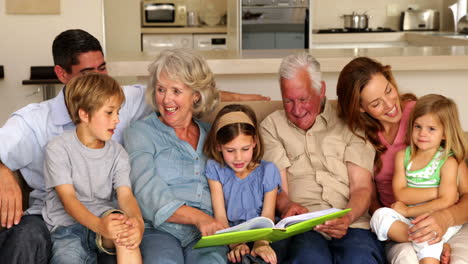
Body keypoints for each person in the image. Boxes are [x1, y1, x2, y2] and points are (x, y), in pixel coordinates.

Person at [0, 29, 269, 263]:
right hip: (62, 219)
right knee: (25, 237)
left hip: (112, 213)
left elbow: (187, 88)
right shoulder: (36, 122)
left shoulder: (122, 101)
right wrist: (4, 173)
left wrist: (248, 99)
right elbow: (74, 198)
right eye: (86, 73)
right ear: (61, 74)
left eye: (102, 68)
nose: (99, 81)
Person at [336, 56, 468, 264]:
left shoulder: (422, 118)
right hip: (400, 223)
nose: (390, 105)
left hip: (444, 214)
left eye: (388, 90)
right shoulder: (360, 135)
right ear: (361, 108)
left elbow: (463, 191)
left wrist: (445, 218)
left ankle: (432, 240)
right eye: (376, 103)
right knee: (402, 251)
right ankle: (429, 241)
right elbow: (371, 197)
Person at [259, 52, 385, 263]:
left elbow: (361, 187)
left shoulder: (351, 122)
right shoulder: (272, 127)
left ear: (321, 90)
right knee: (309, 258)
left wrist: (347, 217)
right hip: (304, 226)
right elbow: (279, 191)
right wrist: (287, 205)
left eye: (303, 99)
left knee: (360, 258)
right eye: (288, 101)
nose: (297, 110)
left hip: (353, 222)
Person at [123, 49, 232, 263]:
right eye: (161, 89)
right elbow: (146, 191)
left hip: (208, 233)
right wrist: (199, 218)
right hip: (160, 230)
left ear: (196, 95)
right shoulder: (140, 132)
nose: (166, 99)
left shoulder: (213, 134)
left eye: (176, 91)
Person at [42, 73, 143, 263]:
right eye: (109, 112)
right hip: (68, 229)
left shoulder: (117, 152)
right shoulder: (58, 148)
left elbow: (125, 196)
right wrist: (98, 226)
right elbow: (68, 200)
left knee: (126, 230)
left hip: (105, 220)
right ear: (84, 114)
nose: (117, 120)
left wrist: (138, 223)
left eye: (118, 112)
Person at [370, 94, 466, 264]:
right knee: (379, 216)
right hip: (409, 223)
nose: (422, 133)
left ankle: (428, 243)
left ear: (445, 133)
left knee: (429, 233)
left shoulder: (448, 162)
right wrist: (438, 192)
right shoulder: (403, 157)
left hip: (436, 219)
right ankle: (428, 241)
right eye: (417, 126)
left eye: (431, 129)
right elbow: (401, 195)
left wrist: (407, 211)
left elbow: (448, 201)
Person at [204, 104, 281, 264]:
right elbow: (220, 216)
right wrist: (236, 244)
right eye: (230, 151)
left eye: (245, 149)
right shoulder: (215, 169)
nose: (238, 158)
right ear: (219, 146)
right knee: (239, 259)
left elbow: (267, 215)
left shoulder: (268, 171)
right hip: (231, 233)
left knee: (268, 257)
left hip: (263, 233)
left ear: (254, 143)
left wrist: (261, 243)